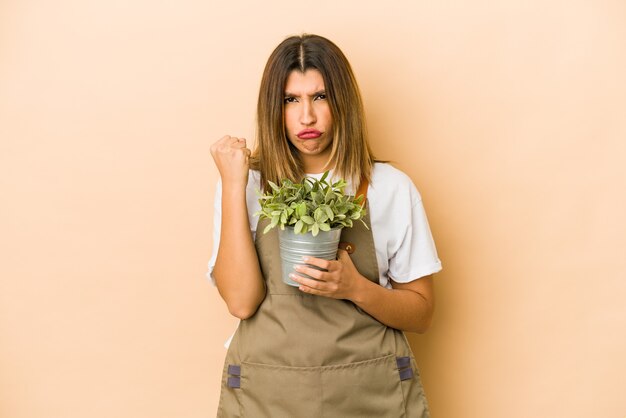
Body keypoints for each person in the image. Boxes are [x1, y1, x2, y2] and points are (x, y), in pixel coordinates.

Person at [207, 34, 442, 417]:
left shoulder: (389, 187)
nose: (307, 117)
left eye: (320, 97)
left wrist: (354, 288)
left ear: (342, 103)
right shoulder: (245, 185)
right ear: (273, 108)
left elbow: (422, 313)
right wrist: (234, 185)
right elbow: (241, 301)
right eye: (290, 100)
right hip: (269, 397)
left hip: (368, 396)